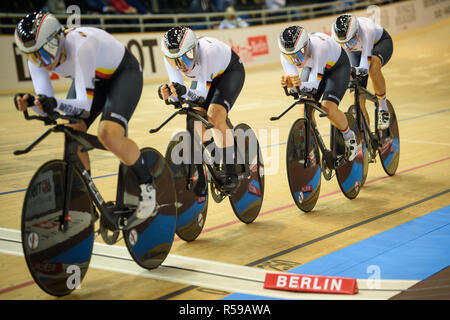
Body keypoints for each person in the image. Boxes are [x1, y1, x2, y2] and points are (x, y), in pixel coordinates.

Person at [14, 11, 155, 219]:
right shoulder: (37, 59)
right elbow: (50, 108)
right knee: (72, 132)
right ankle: (86, 202)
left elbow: (83, 107)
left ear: (56, 40)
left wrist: (52, 104)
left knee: (109, 135)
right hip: (94, 80)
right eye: (32, 56)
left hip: (123, 74)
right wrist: (33, 104)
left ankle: (147, 186)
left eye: (42, 54)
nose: (39, 63)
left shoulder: (80, 47)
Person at [158, 26, 245, 192]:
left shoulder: (206, 53)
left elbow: (200, 96)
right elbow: (178, 91)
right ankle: (216, 153)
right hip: (204, 80)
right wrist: (169, 93)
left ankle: (231, 173)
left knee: (214, 116)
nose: (180, 65)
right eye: (174, 60)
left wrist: (183, 93)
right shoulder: (172, 57)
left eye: (185, 58)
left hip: (229, 73)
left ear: (194, 49)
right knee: (195, 123)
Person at [278, 25, 360, 161]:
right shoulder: (286, 56)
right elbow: (297, 87)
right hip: (313, 68)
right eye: (290, 57)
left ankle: (349, 137)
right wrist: (290, 85)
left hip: (337, 68)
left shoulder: (318, 48)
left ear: (307, 45)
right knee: (305, 108)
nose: (295, 60)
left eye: (298, 54)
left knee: (328, 108)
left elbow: (313, 86)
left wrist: (297, 85)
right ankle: (311, 146)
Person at [331, 13, 393, 130]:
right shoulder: (335, 34)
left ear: (356, 32)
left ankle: (383, 108)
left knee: (373, 67)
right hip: (356, 51)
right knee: (356, 95)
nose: (347, 46)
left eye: (349, 41)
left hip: (378, 44)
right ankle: (365, 134)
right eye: (343, 43)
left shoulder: (366, 29)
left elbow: (365, 65)